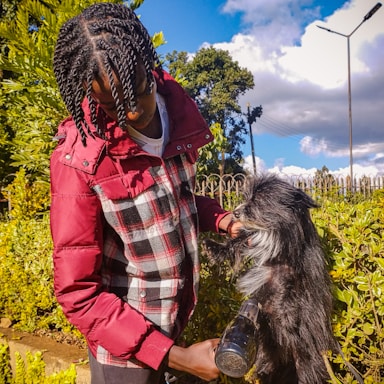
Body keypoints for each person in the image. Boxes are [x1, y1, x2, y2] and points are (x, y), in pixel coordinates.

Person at [50, 3, 240, 383]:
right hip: (124, 356)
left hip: (174, 326)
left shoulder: (177, 110)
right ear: (88, 93)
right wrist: (178, 358)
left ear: (148, 64)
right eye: (113, 105)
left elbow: (174, 201)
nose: (134, 115)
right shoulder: (81, 159)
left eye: (140, 92)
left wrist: (223, 220)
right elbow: (78, 293)